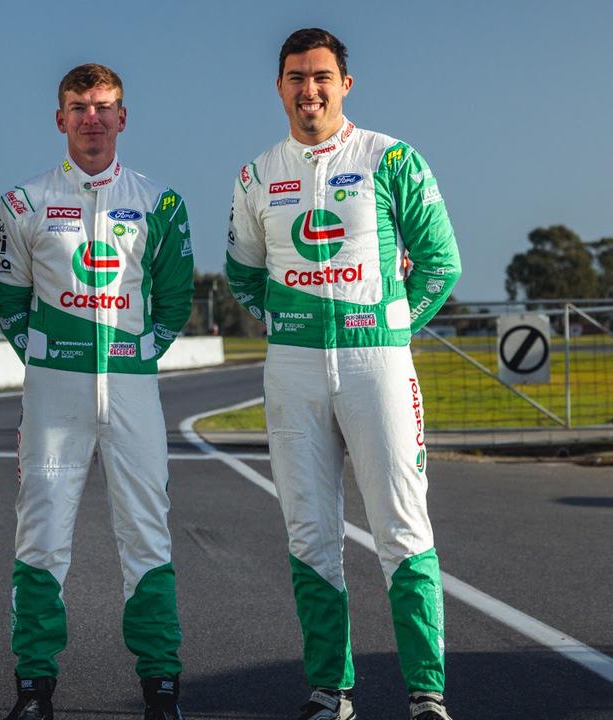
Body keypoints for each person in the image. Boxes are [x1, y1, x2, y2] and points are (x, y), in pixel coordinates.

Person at [225, 27, 461, 720]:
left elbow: (440, 263)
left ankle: (425, 694)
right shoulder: (256, 174)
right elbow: (242, 272)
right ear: (279, 87)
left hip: (376, 365)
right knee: (308, 534)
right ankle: (330, 689)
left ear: (344, 84)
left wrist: (390, 328)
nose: (309, 89)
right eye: (296, 77)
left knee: (401, 529)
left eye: (321, 76)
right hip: (291, 369)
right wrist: (285, 324)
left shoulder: (391, 158)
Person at [0, 64, 195, 720]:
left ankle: (161, 685)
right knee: (41, 535)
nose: (92, 118)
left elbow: (174, 300)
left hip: (132, 395)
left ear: (122, 118)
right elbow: (7, 300)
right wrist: (55, 361)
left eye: (104, 107)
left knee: (146, 536)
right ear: (60, 119)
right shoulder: (21, 203)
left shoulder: (160, 204)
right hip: (54, 395)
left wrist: (136, 357)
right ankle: (33, 687)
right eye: (78, 107)